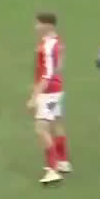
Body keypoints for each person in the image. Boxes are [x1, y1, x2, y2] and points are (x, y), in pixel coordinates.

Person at [28, 12, 69, 184]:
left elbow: (47, 75)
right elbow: (60, 66)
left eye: (39, 24)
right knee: (57, 124)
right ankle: (63, 162)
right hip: (57, 89)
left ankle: (52, 170)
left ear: (48, 25)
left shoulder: (48, 46)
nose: (36, 27)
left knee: (41, 128)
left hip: (48, 92)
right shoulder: (56, 41)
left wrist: (34, 96)